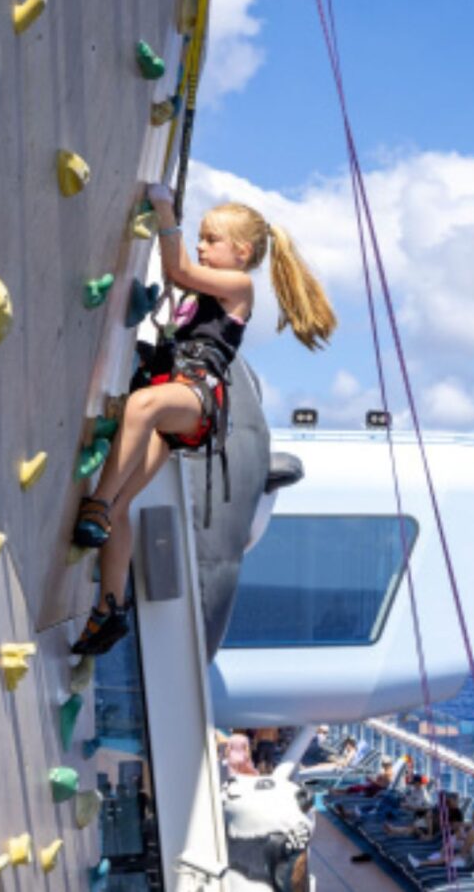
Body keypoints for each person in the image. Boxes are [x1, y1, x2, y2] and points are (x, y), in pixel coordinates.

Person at [69, 182, 336, 655]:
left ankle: (98, 507)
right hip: (173, 392)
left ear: (242, 251)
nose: (201, 245)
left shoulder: (239, 285)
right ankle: (109, 608)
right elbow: (181, 276)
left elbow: (178, 268)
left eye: (211, 239)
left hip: (195, 396)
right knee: (128, 495)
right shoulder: (209, 290)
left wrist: (165, 211)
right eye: (202, 237)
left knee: (142, 409)